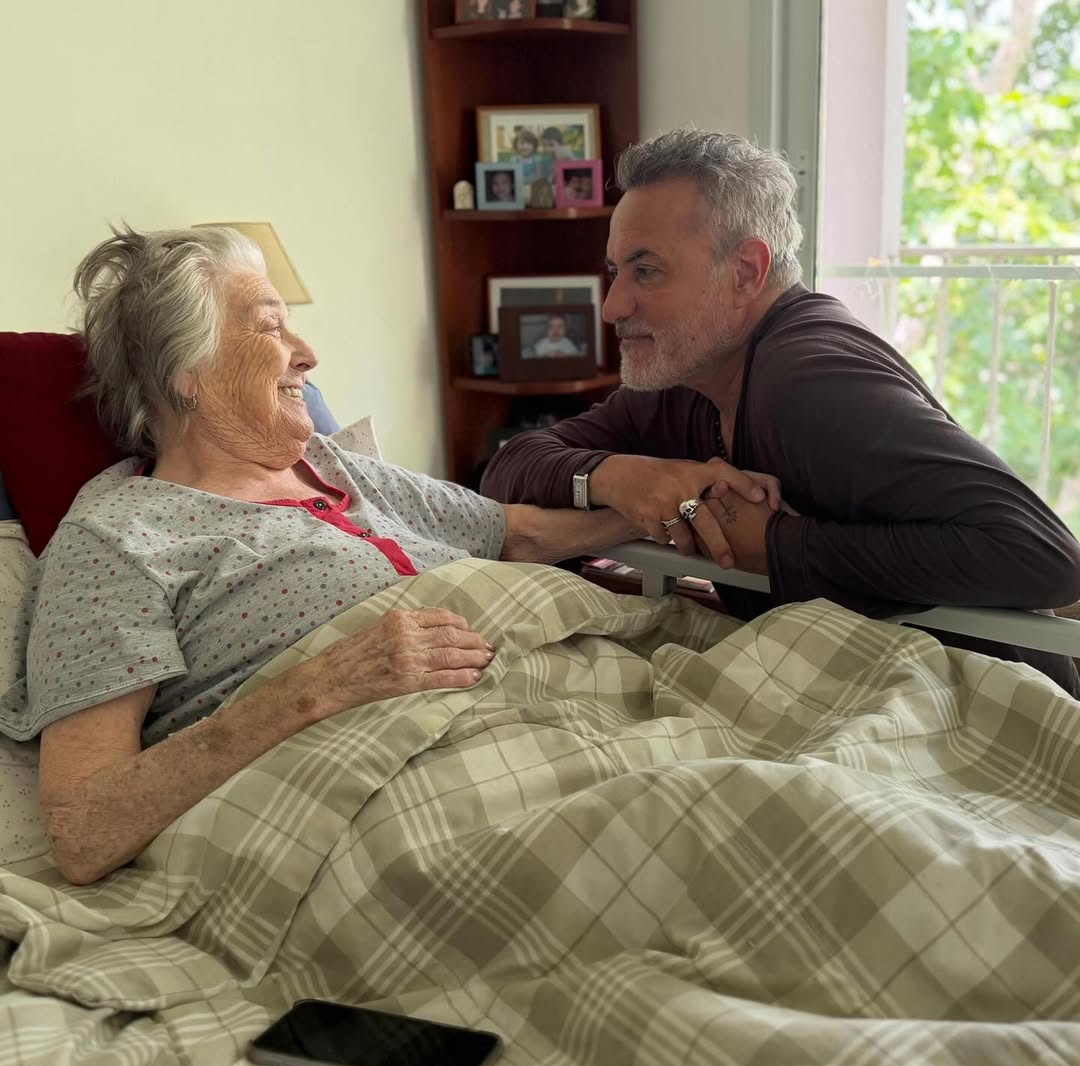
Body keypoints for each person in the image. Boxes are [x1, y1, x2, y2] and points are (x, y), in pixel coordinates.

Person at [0, 226, 655, 885]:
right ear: (184, 374)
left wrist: (663, 507)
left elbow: (512, 533)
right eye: (270, 327)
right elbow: (81, 832)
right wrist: (321, 685)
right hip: (421, 797)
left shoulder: (334, 465)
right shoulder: (118, 537)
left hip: (576, 712)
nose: (307, 356)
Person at [481, 129, 1080, 696]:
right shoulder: (688, 377)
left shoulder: (812, 382)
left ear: (745, 271)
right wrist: (622, 478)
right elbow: (508, 469)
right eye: (616, 271)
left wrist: (773, 544)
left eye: (647, 271)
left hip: (988, 698)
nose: (612, 306)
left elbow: (1045, 557)